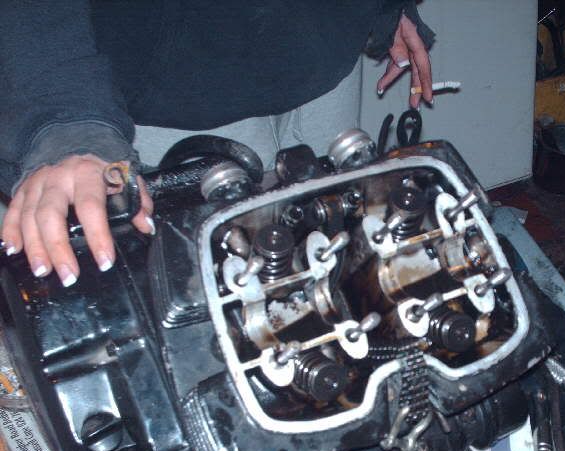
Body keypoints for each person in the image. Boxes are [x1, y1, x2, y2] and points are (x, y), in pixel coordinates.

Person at [0, 1, 435, 287]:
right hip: (165, 89)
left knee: (346, 278)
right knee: (209, 310)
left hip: (328, 57)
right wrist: (68, 123)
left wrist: (386, 8)